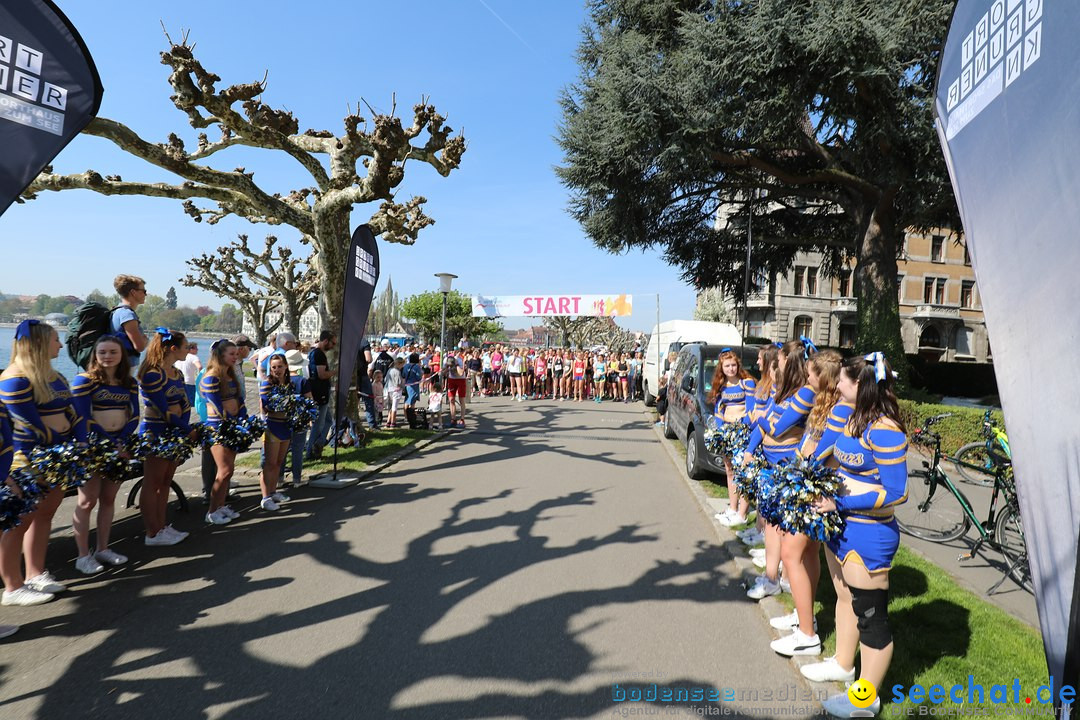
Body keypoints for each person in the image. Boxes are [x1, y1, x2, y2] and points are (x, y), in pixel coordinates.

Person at [803, 353, 908, 719]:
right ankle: (844, 664)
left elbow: (896, 492)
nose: (837, 385)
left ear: (859, 385)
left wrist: (841, 504)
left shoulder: (884, 428)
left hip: (868, 533)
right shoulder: (851, 418)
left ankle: (865, 699)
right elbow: (830, 456)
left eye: (844, 381)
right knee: (844, 596)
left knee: (871, 617)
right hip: (842, 527)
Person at [0, 320, 86, 605]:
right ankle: (12, 586)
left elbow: (73, 412)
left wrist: (78, 443)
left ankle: (36, 572)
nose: (60, 345)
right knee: (18, 523)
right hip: (27, 461)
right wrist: (60, 444)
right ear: (37, 344)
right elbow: (27, 425)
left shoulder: (57, 377)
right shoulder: (14, 378)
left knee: (45, 515)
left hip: (59, 459)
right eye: (55, 340)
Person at [770, 349, 846, 658]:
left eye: (812, 373)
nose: (807, 376)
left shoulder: (838, 410)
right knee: (808, 554)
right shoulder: (820, 403)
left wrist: (804, 469)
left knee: (790, 554)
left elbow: (824, 452)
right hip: (807, 483)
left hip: (815, 489)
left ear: (823, 378)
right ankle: (805, 616)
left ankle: (807, 634)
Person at [743, 339, 816, 600]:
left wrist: (758, 419)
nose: (777, 362)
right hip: (771, 462)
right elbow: (765, 427)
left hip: (787, 466)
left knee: (783, 527)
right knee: (773, 522)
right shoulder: (783, 389)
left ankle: (781, 577)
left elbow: (776, 427)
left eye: (782, 358)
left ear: (791, 362)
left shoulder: (805, 392)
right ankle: (772, 577)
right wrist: (750, 450)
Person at [70, 336, 139, 572]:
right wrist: (110, 442)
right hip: (92, 447)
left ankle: (103, 549)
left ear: (122, 355)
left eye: (113, 352)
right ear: (95, 355)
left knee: (109, 498)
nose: (107, 356)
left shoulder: (129, 383)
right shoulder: (84, 381)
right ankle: (82, 555)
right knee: (87, 500)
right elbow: (83, 418)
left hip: (120, 446)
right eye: (102, 352)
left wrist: (123, 441)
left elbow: (135, 414)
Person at [137, 328, 193, 545]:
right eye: (186, 346)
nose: (188, 349)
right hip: (155, 432)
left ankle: (162, 526)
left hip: (174, 433)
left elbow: (184, 404)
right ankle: (152, 532)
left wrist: (183, 428)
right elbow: (163, 410)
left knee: (166, 481)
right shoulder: (152, 373)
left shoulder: (176, 373)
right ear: (173, 349)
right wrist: (187, 430)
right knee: (152, 482)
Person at [200, 339, 248, 525]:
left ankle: (221, 506)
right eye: (232, 354)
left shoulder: (230, 375)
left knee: (229, 471)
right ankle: (211, 511)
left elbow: (240, 399)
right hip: (218, 428)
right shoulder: (211, 376)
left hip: (233, 426)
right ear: (220, 355)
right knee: (224, 470)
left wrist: (243, 418)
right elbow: (216, 406)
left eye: (236, 354)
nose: (236, 357)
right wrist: (233, 422)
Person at [709, 349, 758, 528]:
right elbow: (718, 411)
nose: (731, 369)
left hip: (742, 433)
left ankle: (742, 514)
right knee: (729, 471)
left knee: (743, 473)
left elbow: (751, 411)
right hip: (727, 433)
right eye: (727, 366)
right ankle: (732, 507)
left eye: (734, 365)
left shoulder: (747, 384)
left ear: (738, 365)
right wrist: (721, 430)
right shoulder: (720, 387)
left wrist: (739, 428)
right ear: (721, 368)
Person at [259, 351, 297, 510]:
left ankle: (273, 491)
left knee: (279, 463)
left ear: (286, 366)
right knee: (270, 463)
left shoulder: (290, 384)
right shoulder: (267, 384)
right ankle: (265, 497)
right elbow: (265, 406)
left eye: (280, 366)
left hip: (285, 426)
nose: (277, 370)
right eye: (273, 367)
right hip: (272, 426)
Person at [281, 349, 312, 486]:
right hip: (299, 418)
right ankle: (296, 479)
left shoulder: (280, 380)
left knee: (282, 449)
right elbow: (309, 400)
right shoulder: (302, 381)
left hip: (282, 418)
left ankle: (279, 478)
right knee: (298, 449)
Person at [305, 330, 336, 459]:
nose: (333, 346)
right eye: (332, 343)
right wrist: (335, 372)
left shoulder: (313, 352)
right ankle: (311, 451)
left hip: (319, 392)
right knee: (319, 424)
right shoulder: (319, 355)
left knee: (329, 420)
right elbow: (321, 374)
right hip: (320, 393)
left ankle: (319, 443)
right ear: (325, 341)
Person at [111, 274, 149, 365]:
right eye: (144, 291)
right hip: (124, 369)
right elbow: (139, 347)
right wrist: (145, 341)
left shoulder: (117, 311)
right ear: (133, 292)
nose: (146, 294)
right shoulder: (128, 315)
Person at [175, 341, 202, 406]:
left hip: (179, 381)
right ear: (191, 349)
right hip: (190, 383)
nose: (197, 350)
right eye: (196, 348)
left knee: (181, 403)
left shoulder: (180, 357)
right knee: (191, 403)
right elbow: (200, 367)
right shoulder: (193, 357)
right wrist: (200, 377)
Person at [445, 353, 467, 427]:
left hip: (461, 380)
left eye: (451, 365)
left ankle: (462, 419)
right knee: (451, 399)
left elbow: (461, 373)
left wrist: (457, 365)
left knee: (461, 400)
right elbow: (444, 372)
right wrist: (446, 368)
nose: (450, 366)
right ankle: (453, 419)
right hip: (452, 380)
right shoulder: (446, 361)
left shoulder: (459, 361)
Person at [402, 353, 424, 428]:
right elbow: (419, 377)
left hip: (406, 385)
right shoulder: (417, 367)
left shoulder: (405, 366)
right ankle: (411, 418)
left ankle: (405, 417)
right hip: (413, 386)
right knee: (412, 402)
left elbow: (403, 375)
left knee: (406, 401)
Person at [384, 357, 404, 429]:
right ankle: (393, 422)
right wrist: (403, 385)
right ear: (399, 364)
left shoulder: (389, 370)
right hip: (396, 390)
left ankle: (388, 422)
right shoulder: (398, 372)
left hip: (389, 389)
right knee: (394, 407)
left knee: (390, 407)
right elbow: (398, 383)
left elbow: (385, 379)